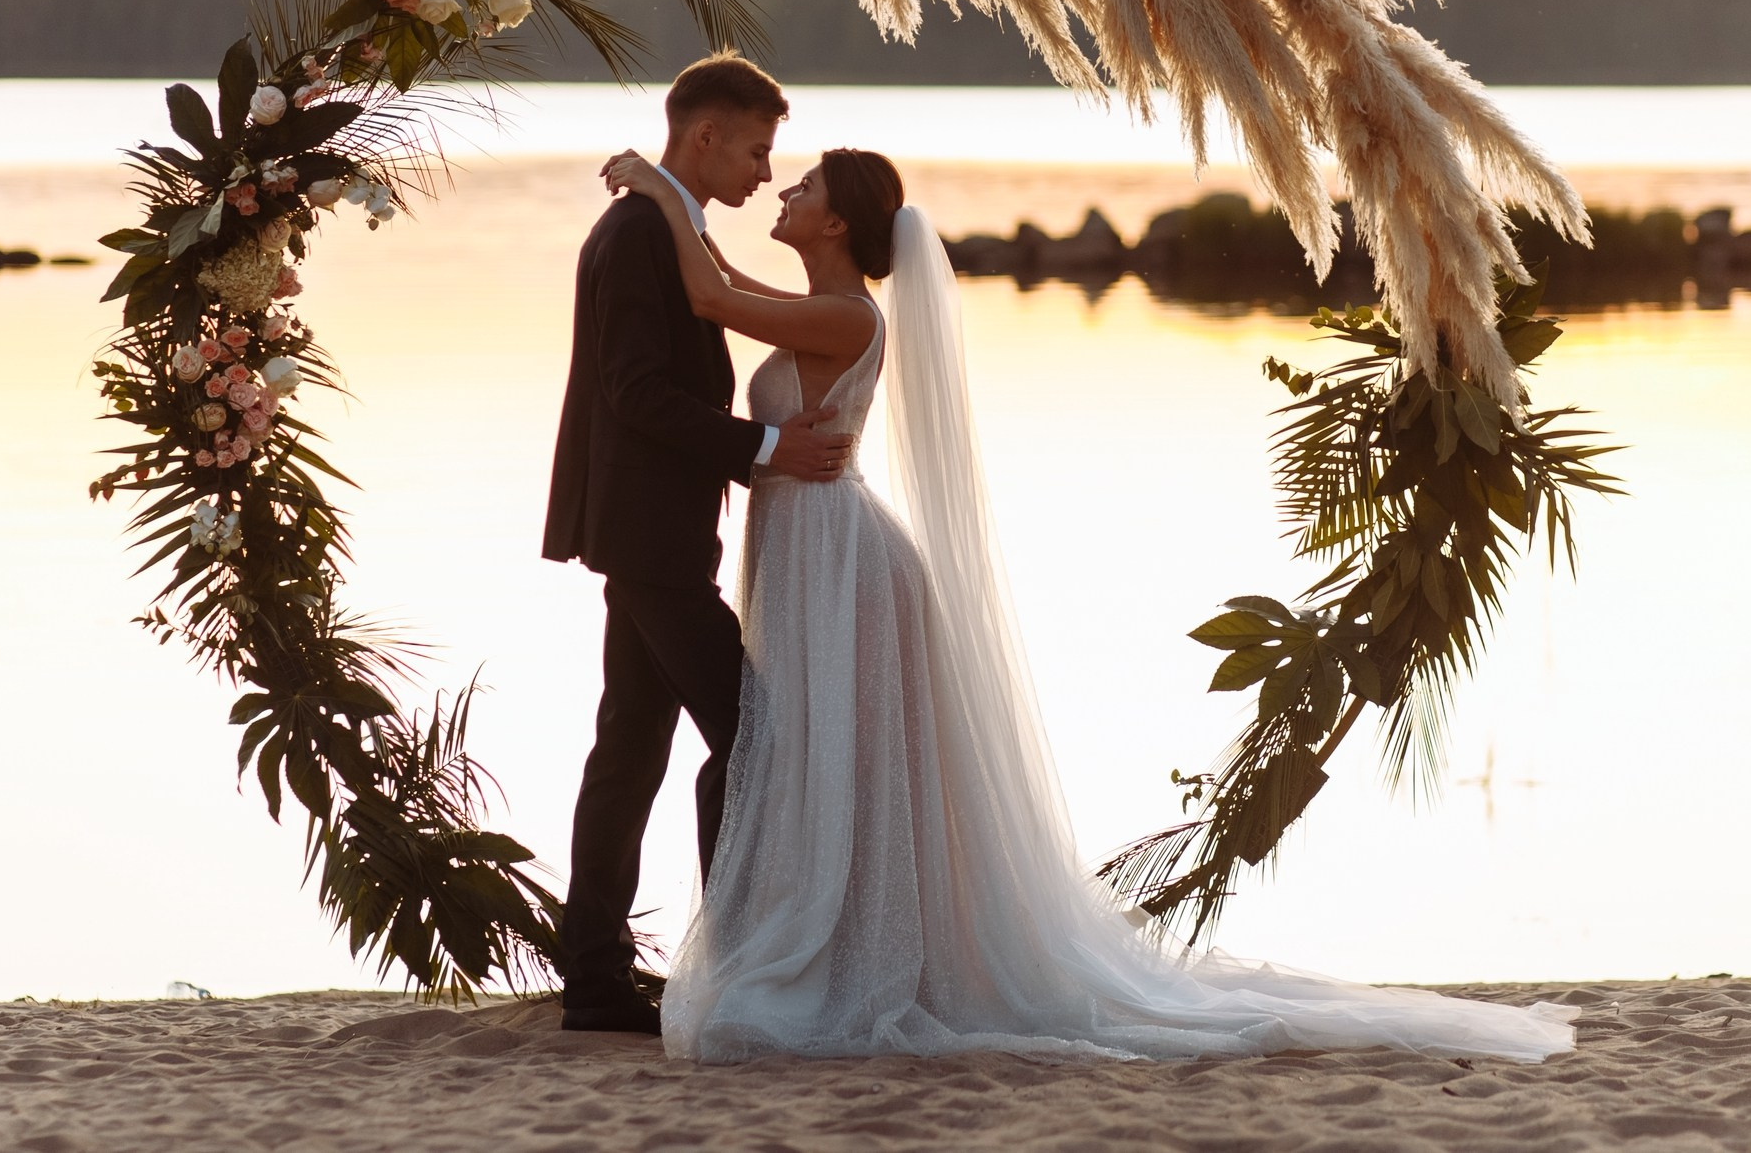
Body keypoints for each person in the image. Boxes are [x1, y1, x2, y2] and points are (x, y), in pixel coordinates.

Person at [599, 143, 1582, 1064]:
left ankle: (843, 950)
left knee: (837, 753)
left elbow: (705, 290)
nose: (783, 192)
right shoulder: (822, 304)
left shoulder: (849, 317)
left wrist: (656, 183)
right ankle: (825, 936)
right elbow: (725, 291)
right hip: (813, 552)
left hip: (843, 560)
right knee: (821, 752)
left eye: (803, 188)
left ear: (836, 226)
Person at [541, 56, 852, 1035]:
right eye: (758, 149)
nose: (766, 170)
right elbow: (634, 391)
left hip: (644, 533)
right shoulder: (638, 229)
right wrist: (765, 447)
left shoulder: (656, 222)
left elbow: (709, 303)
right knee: (755, 741)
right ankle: (733, 964)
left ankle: (596, 978)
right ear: (706, 136)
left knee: (630, 747)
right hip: (650, 537)